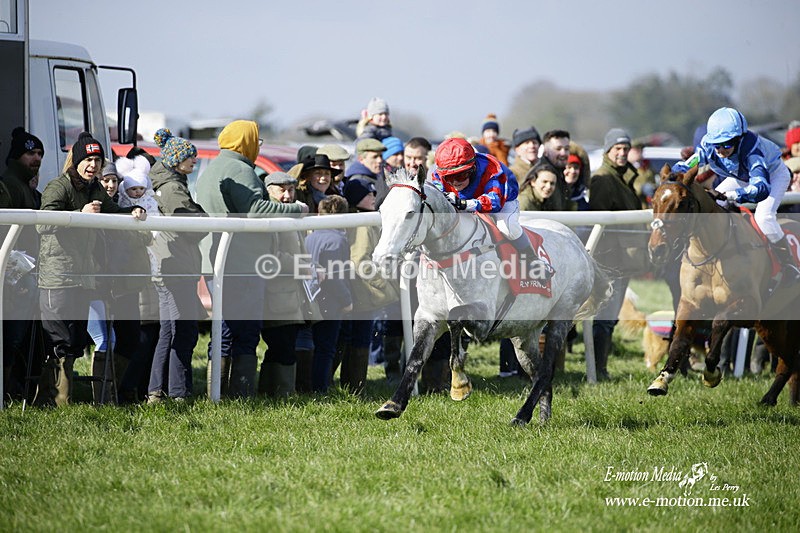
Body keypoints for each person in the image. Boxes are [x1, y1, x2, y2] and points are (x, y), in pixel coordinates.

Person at [195, 120, 308, 398]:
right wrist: (297, 208)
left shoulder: (212, 169)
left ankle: (218, 395)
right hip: (243, 263)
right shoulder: (240, 169)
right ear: (244, 141)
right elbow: (257, 209)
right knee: (245, 334)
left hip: (218, 262)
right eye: (256, 140)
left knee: (222, 332)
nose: (258, 146)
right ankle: (241, 395)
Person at [36, 131, 147, 406]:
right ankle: (54, 402)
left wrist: (133, 211)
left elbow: (112, 211)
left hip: (84, 277)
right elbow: (42, 223)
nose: (93, 165)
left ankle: (69, 401)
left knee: (74, 341)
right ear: (76, 160)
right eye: (88, 159)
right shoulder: (58, 187)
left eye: (97, 160)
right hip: (57, 276)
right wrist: (78, 216)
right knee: (58, 340)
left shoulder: (95, 188)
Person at [673, 107, 800, 282]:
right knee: (715, 203)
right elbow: (692, 161)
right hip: (742, 176)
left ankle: (789, 265)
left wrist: (733, 195)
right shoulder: (711, 146)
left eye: (726, 144)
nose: (720, 150)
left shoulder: (753, 152)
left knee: (764, 218)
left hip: (772, 176)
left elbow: (760, 189)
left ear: (739, 139)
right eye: (717, 145)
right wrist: (676, 173)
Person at [431, 137, 554, 279]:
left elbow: (494, 202)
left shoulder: (491, 170)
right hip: (466, 199)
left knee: (508, 227)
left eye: (461, 175)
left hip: (502, 199)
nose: (456, 182)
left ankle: (533, 261)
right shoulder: (438, 174)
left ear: (474, 167)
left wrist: (465, 204)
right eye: (449, 178)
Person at [147, 128, 206, 403]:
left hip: (173, 265)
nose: (194, 160)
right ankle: (176, 393)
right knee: (181, 331)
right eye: (190, 158)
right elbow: (193, 227)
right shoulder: (172, 189)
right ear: (176, 161)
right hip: (175, 267)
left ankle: (159, 391)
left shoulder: (173, 184)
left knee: (171, 331)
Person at [87, 157, 153, 404]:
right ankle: (104, 397)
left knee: (130, 338)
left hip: (125, 284)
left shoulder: (125, 205)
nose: (111, 185)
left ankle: (119, 390)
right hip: (100, 285)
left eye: (114, 180)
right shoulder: (92, 207)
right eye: (106, 180)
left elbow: (145, 239)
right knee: (105, 339)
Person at [259, 171, 322, 397]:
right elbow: (271, 256)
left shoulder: (291, 215)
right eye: (281, 190)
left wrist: (309, 267)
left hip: (292, 293)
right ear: (269, 191)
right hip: (277, 293)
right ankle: (282, 394)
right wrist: (302, 266)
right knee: (281, 346)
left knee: (284, 346)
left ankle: (275, 393)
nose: (287, 195)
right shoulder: (271, 216)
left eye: (291, 190)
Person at [589, 128, 643, 380]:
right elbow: (600, 219)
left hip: (624, 258)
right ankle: (598, 369)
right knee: (604, 317)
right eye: (617, 149)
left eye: (625, 148)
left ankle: (602, 367)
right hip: (610, 258)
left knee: (610, 318)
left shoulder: (624, 177)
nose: (622, 153)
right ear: (608, 151)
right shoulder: (603, 178)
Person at [1, 127, 43, 398]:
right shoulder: (8, 186)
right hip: (13, 275)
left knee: (19, 338)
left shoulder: (24, 188)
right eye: (30, 153)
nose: (36, 158)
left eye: (39, 153)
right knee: (10, 337)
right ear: (16, 157)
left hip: (23, 273)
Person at [305, 194, 352, 393]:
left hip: (310, 295)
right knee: (326, 348)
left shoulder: (309, 236)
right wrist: (346, 300)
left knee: (311, 344)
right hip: (330, 299)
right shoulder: (338, 240)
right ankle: (320, 388)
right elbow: (335, 275)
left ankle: (306, 384)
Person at [529, 129, 572, 211]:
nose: (563, 153)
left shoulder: (561, 173)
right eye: (558, 149)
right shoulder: (539, 174)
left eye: (566, 149)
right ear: (545, 151)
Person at [343, 138, 387, 205]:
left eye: (381, 156)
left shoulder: (376, 176)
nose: (379, 160)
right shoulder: (358, 181)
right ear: (361, 159)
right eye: (375, 157)